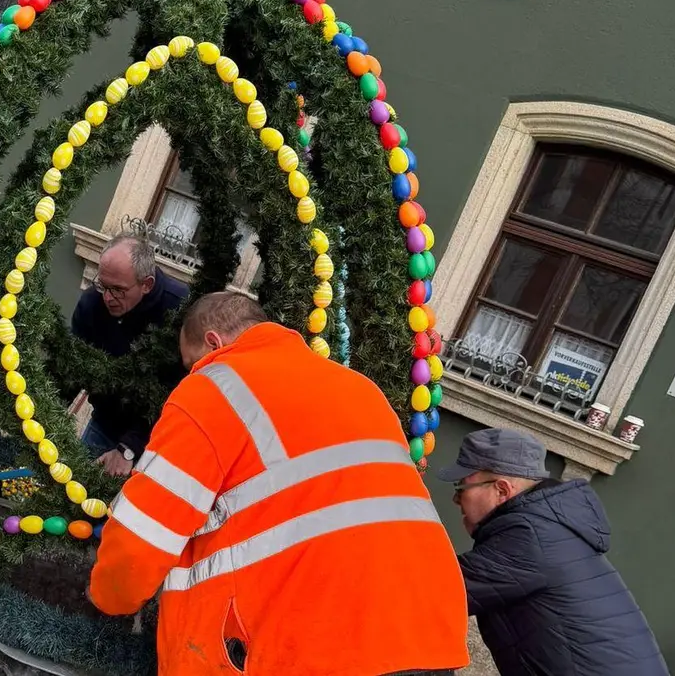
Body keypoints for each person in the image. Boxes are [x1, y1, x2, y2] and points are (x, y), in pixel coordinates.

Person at [88, 292, 469, 676]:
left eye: (192, 364)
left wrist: (107, 596)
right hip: (427, 632)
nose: (193, 374)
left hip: (320, 645)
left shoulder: (213, 388)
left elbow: (145, 532)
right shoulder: (359, 389)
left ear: (213, 344)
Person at [440, 427, 668, 676]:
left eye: (461, 488)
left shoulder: (530, 537)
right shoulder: (546, 526)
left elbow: (431, 590)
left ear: (502, 491)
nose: (456, 499)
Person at [69, 233, 187, 476]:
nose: (108, 297)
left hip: (158, 442)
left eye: (118, 290)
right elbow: (70, 366)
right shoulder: (92, 303)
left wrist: (129, 447)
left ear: (147, 284)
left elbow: (176, 392)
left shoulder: (180, 309)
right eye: (103, 285)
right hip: (104, 424)